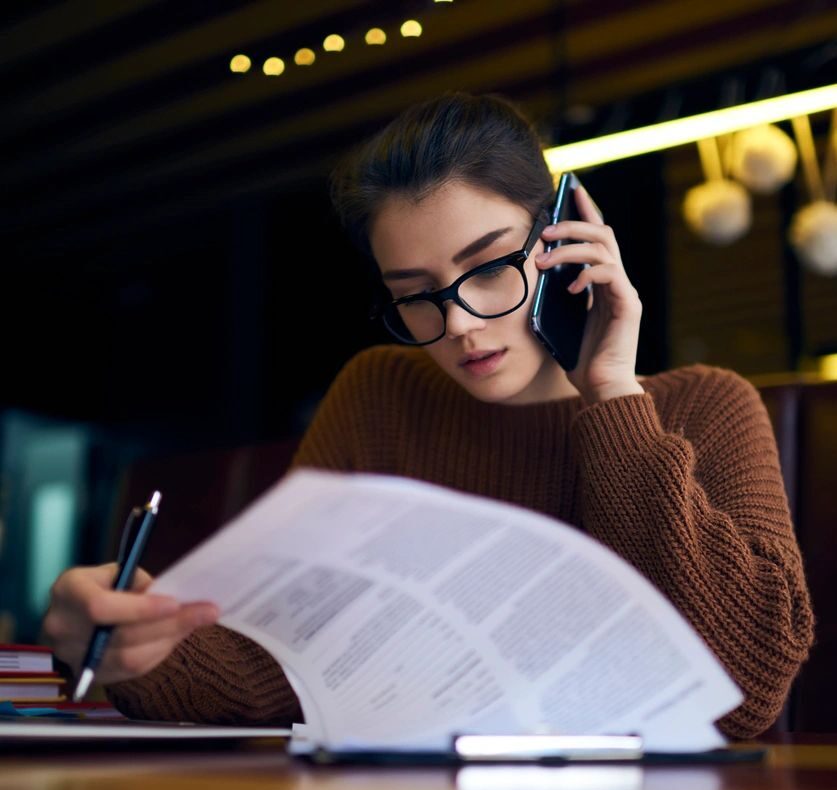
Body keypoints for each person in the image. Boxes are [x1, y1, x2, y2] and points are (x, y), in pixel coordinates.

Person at [43, 92, 813, 738]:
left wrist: (611, 391)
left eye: (486, 268)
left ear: (564, 240)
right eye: (415, 294)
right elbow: (288, 661)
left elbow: (741, 696)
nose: (460, 324)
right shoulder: (381, 391)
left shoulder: (705, 406)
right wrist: (139, 647)